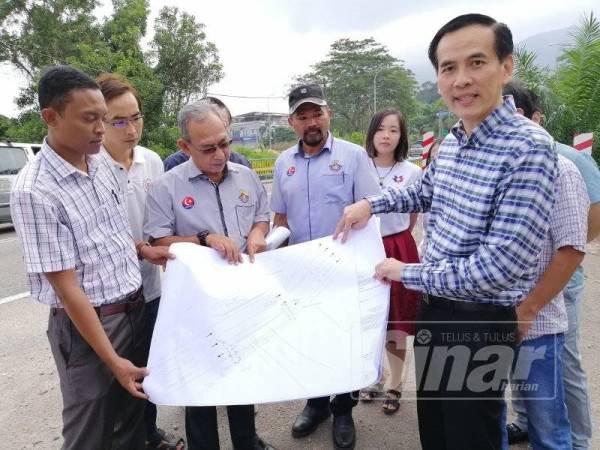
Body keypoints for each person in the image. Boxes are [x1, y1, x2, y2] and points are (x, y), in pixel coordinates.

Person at [333, 14, 558, 450]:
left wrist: (405, 272)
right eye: (448, 68)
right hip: (435, 312)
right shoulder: (454, 140)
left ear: (506, 67)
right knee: (435, 430)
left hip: (479, 324)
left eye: (477, 63)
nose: (462, 80)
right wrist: (371, 204)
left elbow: (497, 268)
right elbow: (423, 191)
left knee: (470, 435)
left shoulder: (528, 148)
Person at [9, 65, 172, 450]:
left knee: (131, 420)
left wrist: (144, 250)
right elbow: (68, 292)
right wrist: (113, 361)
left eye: (104, 118)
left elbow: (108, 237)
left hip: (134, 311)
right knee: (91, 429)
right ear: (51, 117)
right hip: (89, 327)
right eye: (90, 118)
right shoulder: (35, 191)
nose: (102, 129)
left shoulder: (98, 163)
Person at [144, 101, 275, 450]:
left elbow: (262, 216)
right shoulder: (165, 187)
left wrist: (258, 233)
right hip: (194, 307)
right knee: (200, 388)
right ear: (184, 146)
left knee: (242, 380)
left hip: (242, 299)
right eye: (208, 148)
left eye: (224, 143)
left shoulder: (245, 175)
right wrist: (203, 239)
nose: (220, 154)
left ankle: (247, 442)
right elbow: (158, 242)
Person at [270, 83, 380, 450]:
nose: (311, 122)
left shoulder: (352, 157)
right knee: (310, 340)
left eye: (316, 113)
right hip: (302, 272)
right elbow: (281, 217)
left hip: (344, 270)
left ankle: (344, 409)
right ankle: (316, 404)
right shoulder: (284, 162)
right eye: (302, 116)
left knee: (344, 341)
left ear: (328, 114)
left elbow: (372, 206)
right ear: (292, 122)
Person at [504, 81, 600, 450]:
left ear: (533, 117)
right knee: (521, 364)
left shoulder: (567, 159)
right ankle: (526, 422)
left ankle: (577, 440)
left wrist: (566, 250)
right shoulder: (503, 160)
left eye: (516, 114)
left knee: (565, 367)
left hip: (562, 283)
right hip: (517, 291)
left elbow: (594, 214)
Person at [97, 73, 185, 450]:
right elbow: (98, 236)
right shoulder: (91, 166)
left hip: (150, 288)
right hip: (112, 297)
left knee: (149, 368)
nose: (131, 129)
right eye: (120, 121)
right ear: (99, 121)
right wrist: (141, 247)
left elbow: (162, 222)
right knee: (116, 380)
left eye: (136, 117)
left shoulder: (152, 162)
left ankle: (150, 435)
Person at [359, 108, 422, 415]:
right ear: (371, 133)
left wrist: (396, 240)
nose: (386, 135)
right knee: (371, 318)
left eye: (394, 130)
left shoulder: (411, 171)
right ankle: (375, 377)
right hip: (365, 248)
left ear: (402, 136)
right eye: (381, 129)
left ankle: (395, 383)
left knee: (396, 319)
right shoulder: (360, 166)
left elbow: (411, 218)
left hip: (397, 246)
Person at [162, 96, 251, 171]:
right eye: (208, 149)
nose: (219, 155)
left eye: (223, 124)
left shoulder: (241, 164)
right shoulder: (174, 164)